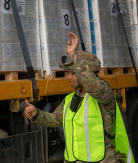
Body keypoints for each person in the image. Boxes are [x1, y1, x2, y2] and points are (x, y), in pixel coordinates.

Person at [23, 32, 134, 163]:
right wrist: (36, 114)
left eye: (73, 73)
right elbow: (56, 120)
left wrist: (74, 56)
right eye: (68, 73)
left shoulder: (104, 92)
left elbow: (94, 87)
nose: (69, 77)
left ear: (88, 71)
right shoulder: (71, 99)